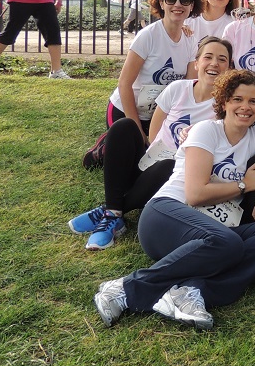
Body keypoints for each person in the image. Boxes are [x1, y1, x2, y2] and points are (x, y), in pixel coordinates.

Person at [92, 70, 255, 330]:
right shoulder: (206, 131)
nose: (245, 107)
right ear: (224, 102)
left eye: (253, 101)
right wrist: (244, 185)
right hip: (165, 216)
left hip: (211, 233)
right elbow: (195, 195)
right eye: (238, 99)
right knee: (228, 243)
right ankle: (124, 289)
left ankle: (192, 291)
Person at [70, 36, 233, 250]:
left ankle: (112, 211)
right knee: (124, 126)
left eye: (222, 59)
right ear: (196, 63)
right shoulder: (177, 88)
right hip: (149, 162)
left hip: (177, 175)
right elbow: (154, 131)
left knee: (168, 165)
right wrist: (153, 154)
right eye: (208, 57)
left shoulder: (227, 106)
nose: (214, 64)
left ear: (229, 68)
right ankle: (113, 211)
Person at [84, 0, 204, 168]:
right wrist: (138, 130)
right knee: (133, 158)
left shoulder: (190, 39)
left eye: (185, 0)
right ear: (161, 3)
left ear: (192, 5)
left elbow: (187, 88)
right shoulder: (148, 36)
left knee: (156, 161)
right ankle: (103, 148)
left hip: (157, 114)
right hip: (125, 110)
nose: (177, 4)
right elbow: (124, 84)